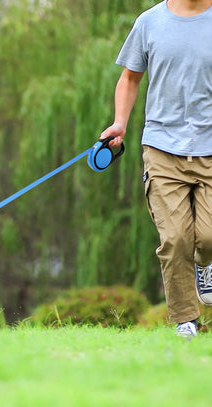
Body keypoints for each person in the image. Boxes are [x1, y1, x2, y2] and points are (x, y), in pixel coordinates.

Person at [100, 0, 212, 338]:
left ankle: (206, 264)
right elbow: (130, 78)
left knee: (207, 237)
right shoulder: (149, 22)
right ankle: (185, 321)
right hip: (162, 148)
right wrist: (120, 123)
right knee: (175, 238)